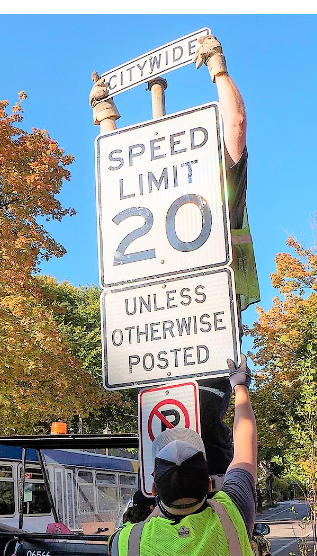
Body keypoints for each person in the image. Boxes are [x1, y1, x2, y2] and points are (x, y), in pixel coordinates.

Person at [89, 34, 260, 477]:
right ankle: (219, 512)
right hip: (186, 337)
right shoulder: (219, 190)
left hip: (183, 335)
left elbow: (120, 173)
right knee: (202, 436)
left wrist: (105, 121)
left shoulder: (221, 190)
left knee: (171, 431)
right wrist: (217, 69)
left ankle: (173, 499)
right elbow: (125, 169)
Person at [107, 355, 281, 556]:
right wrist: (240, 386)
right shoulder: (233, 514)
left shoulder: (127, 544)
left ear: (153, 488)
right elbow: (245, 446)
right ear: (211, 483)